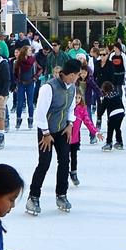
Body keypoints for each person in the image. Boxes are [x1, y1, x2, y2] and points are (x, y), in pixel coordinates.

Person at [27, 60, 82, 215]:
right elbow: (40, 113)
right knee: (44, 163)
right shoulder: (48, 88)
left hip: (63, 130)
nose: (78, 78)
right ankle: (33, 196)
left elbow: (71, 108)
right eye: (77, 75)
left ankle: (61, 194)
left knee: (65, 161)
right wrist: (45, 133)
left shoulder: (72, 88)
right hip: (47, 132)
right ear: (71, 74)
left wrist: (70, 124)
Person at [67, 74, 99, 186]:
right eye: (75, 97)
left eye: (79, 98)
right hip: (64, 137)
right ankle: (64, 173)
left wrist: (95, 132)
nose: (76, 100)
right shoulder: (66, 107)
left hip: (75, 138)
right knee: (64, 158)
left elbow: (87, 121)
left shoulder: (81, 109)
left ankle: (74, 173)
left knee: (74, 156)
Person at [97, 49, 126, 149]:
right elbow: (120, 103)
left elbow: (102, 109)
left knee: (110, 128)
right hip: (121, 112)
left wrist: (99, 116)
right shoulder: (116, 94)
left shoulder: (106, 97)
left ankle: (109, 143)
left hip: (113, 114)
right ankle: (119, 142)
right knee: (117, 128)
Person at [12, 45, 40, 129]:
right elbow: (15, 73)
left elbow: (40, 69)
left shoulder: (33, 60)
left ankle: (30, 120)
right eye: (29, 50)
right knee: (19, 102)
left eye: (31, 50)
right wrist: (15, 82)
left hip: (30, 83)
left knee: (30, 102)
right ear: (25, 51)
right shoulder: (18, 61)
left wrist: (35, 77)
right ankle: (18, 119)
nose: (31, 52)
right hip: (21, 83)